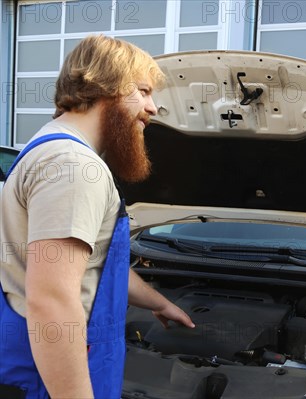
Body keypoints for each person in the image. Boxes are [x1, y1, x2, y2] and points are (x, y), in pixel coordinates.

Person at [0, 35, 195, 398]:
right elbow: (53, 302)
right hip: (49, 375)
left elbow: (94, 264)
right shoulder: (73, 166)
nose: (153, 109)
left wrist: (160, 302)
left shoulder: (48, 146)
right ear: (106, 85)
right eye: (143, 91)